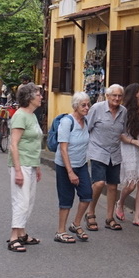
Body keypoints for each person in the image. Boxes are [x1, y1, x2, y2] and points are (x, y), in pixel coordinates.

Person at [85, 84, 127, 232]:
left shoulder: (123, 112)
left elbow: (123, 131)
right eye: (114, 95)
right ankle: (90, 213)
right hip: (98, 150)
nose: (116, 98)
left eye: (119, 96)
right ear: (108, 96)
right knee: (98, 183)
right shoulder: (96, 109)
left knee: (113, 186)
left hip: (114, 152)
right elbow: (86, 128)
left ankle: (110, 218)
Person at [7, 83, 44, 252]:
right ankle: (14, 236)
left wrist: (37, 166)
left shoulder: (32, 115)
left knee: (29, 200)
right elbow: (13, 144)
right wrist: (18, 170)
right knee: (21, 200)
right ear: (29, 97)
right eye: (38, 94)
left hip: (30, 163)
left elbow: (34, 143)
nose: (41, 97)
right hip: (21, 164)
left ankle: (22, 233)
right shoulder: (20, 116)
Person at [53, 92, 93, 243]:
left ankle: (76, 224)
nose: (87, 107)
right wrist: (70, 172)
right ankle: (60, 231)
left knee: (87, 194)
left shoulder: (86, 121)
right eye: (83, 105)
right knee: (66, 198)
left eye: (88, 104)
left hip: (81, 164)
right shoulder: (67, 122)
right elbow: (63, 148)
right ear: (76, 106)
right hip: (65, 165)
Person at [117, 83, 139, 228]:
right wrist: (134, 141)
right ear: (135, 94)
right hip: (129, 147)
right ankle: (120, 202)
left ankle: (137, 216)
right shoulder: (123, 112)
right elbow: (120, 135)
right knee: (131, 185)